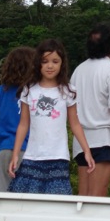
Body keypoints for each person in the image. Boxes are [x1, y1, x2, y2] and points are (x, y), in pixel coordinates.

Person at [8, 39, 94, 194]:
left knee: (57, 205)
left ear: (62, 64)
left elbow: (75, 124)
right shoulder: (28, 90)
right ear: (38, 63)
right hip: (32, 156)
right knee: (26, 203)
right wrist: (15, 154)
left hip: (59, 157)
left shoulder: (68, 91)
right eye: (45, 61)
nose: (50, 66)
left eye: (55, 61)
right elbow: (23, 124)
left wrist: (87, 151)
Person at [71, 23, 110, 196]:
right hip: (103, 141)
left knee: (83, 198)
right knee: (97, 198)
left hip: (80, 141)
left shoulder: (78, 71)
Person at [0, 45, 35, 191]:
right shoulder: (34, 91)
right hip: (28, 149)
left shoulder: (2, 90)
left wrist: (2, 131)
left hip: (4, 148)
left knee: (2, 195)